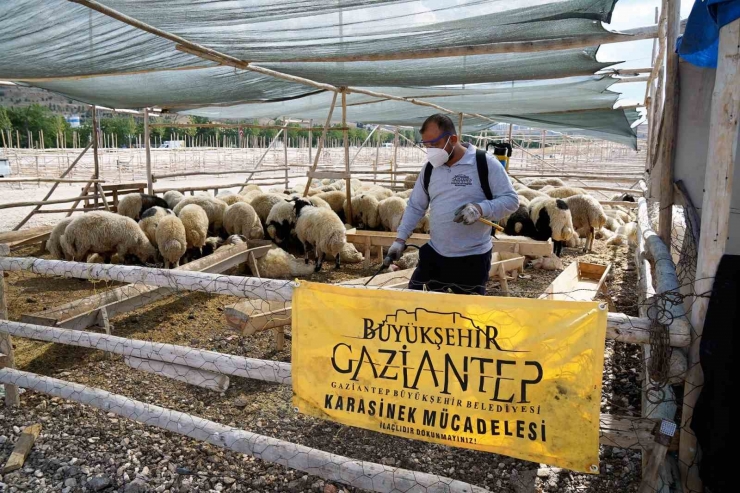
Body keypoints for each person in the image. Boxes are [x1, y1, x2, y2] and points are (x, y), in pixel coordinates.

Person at [388, 114, 519, 295]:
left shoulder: (484, 163)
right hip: (436, 253)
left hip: (472, 258)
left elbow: (511, 200)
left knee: (464, 316)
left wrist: (480, 209)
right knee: (418, 307)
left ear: (453, 139)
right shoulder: (430, 169)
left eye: (434, 144)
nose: (430, 151)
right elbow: (416, 206)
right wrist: (400, 240)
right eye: (426, 145)